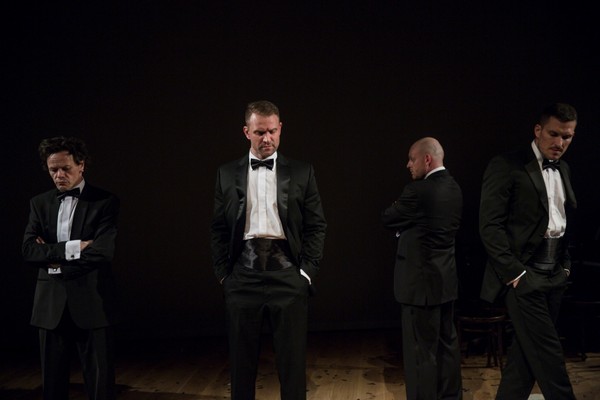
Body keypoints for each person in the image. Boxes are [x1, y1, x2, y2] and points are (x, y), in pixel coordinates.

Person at [210, 100, 327, 400]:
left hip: (287, 275)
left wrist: (306, 273)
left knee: (292, 364)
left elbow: (317, 225)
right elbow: (219, 228)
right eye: (260, 132)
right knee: (241, 364)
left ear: (280, 128)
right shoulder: (226, 173)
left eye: (272, 131)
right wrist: (224, 274)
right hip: (243, 276)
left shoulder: (302, 171)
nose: (267, 138)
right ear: (246, 132)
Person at [479, 103, 578, 399]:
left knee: (525, 357)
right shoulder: (506, 164)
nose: (560, 142)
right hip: (525, 276)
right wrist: (516, 274)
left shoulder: (564, 168)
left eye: (567, 136)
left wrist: (565, 266)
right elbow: (489, 226)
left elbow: (563, 221)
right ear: (538, 130)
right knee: (548, 354)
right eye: (553, 134)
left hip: (555, 274)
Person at [22, 136, 120, 400]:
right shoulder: (39, 203)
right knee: (52, 386)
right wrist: (74, 248)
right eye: (53, 169)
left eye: (65, 168)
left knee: (100, 385)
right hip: (49, 305)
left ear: (81, 165)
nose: (59, 175)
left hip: (92, 302)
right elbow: (29, 251)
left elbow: (102, 252)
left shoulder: (105, 201)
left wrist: (53, 260)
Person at [381, 137, 463, 400]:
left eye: (412, 159)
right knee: (447, 346)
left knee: (420, 353)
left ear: (427, 159)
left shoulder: (417, 191)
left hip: (419, 287)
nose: (408, 165)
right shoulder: (454, 188)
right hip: (446, 282)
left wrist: (404, 223)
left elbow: (388, 217)